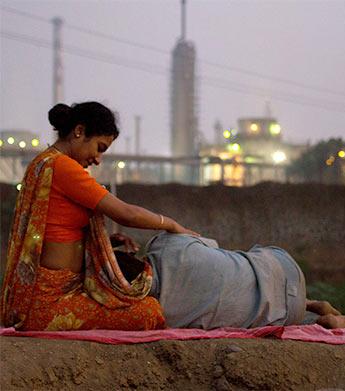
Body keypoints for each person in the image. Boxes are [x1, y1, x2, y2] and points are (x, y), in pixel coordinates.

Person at [0, 101, 198, 331]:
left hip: (44, 297)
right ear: (79, 131)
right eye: (99, 147)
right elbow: (127, 214)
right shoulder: (63, 167)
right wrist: (171, 225)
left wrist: (104, 244)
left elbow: (56, 229)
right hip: (50, 304)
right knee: (149, 312)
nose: (97, 159)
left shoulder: (42, 163)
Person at [144, 233, 345, 330]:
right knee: (238, 265)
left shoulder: (162, 318)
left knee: (249, 315)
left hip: (287, 315)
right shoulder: (166, 244)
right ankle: (311, 303)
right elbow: (213, 246)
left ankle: (321, 321)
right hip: (284, 268)